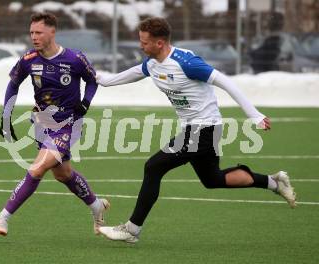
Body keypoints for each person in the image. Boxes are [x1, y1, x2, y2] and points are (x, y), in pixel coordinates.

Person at [96, 17, 296, 243]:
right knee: (212, 179)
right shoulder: (152, 64)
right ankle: (273, 182)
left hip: (205, 129)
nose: (140, 46)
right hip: (195, 129)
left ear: (160, 43)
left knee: (153, 167)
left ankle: (131, 229)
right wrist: (102, 80)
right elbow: (129, 74)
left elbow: (225, 82)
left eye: (144, 42)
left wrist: (254, 115)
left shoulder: (187, 63)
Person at [0, 12, 109, 236]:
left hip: (68, 124)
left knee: (36, 169)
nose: (34, 37)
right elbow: (13, 85)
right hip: (41, 122)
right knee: (63, 174)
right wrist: (6, 116)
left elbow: (92, 81)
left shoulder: (74, 58)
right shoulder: (28, 60)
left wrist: (85, 103)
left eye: (39, 32)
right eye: (31, 33)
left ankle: (3, 217)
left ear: (52, 32)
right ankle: (97, 206)